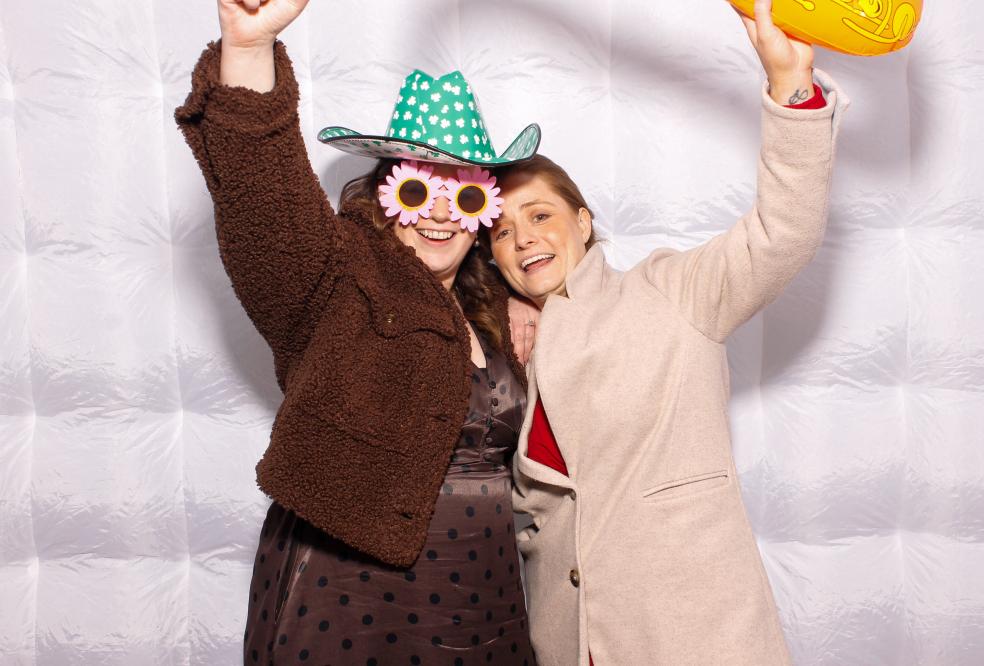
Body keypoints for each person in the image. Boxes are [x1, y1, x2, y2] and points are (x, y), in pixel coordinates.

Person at [480, 1, 848, 664]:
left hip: (694, 636)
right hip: (571, 646)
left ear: (584, 222)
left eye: (539, 215)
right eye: (502, 232)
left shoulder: (669, 291)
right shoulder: (505, 358)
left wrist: (792, 89)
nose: (523, 238)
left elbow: (782, 235)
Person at [175, 1, 541, 663]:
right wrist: (248, 49)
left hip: (484, 598)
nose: (439, 213)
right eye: (416, 190)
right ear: (383, 195)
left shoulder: (496, 308)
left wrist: (536, 303)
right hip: (352, 600)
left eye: (462, 194)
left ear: (484, 210)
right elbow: (268, 209)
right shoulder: (339, 276)